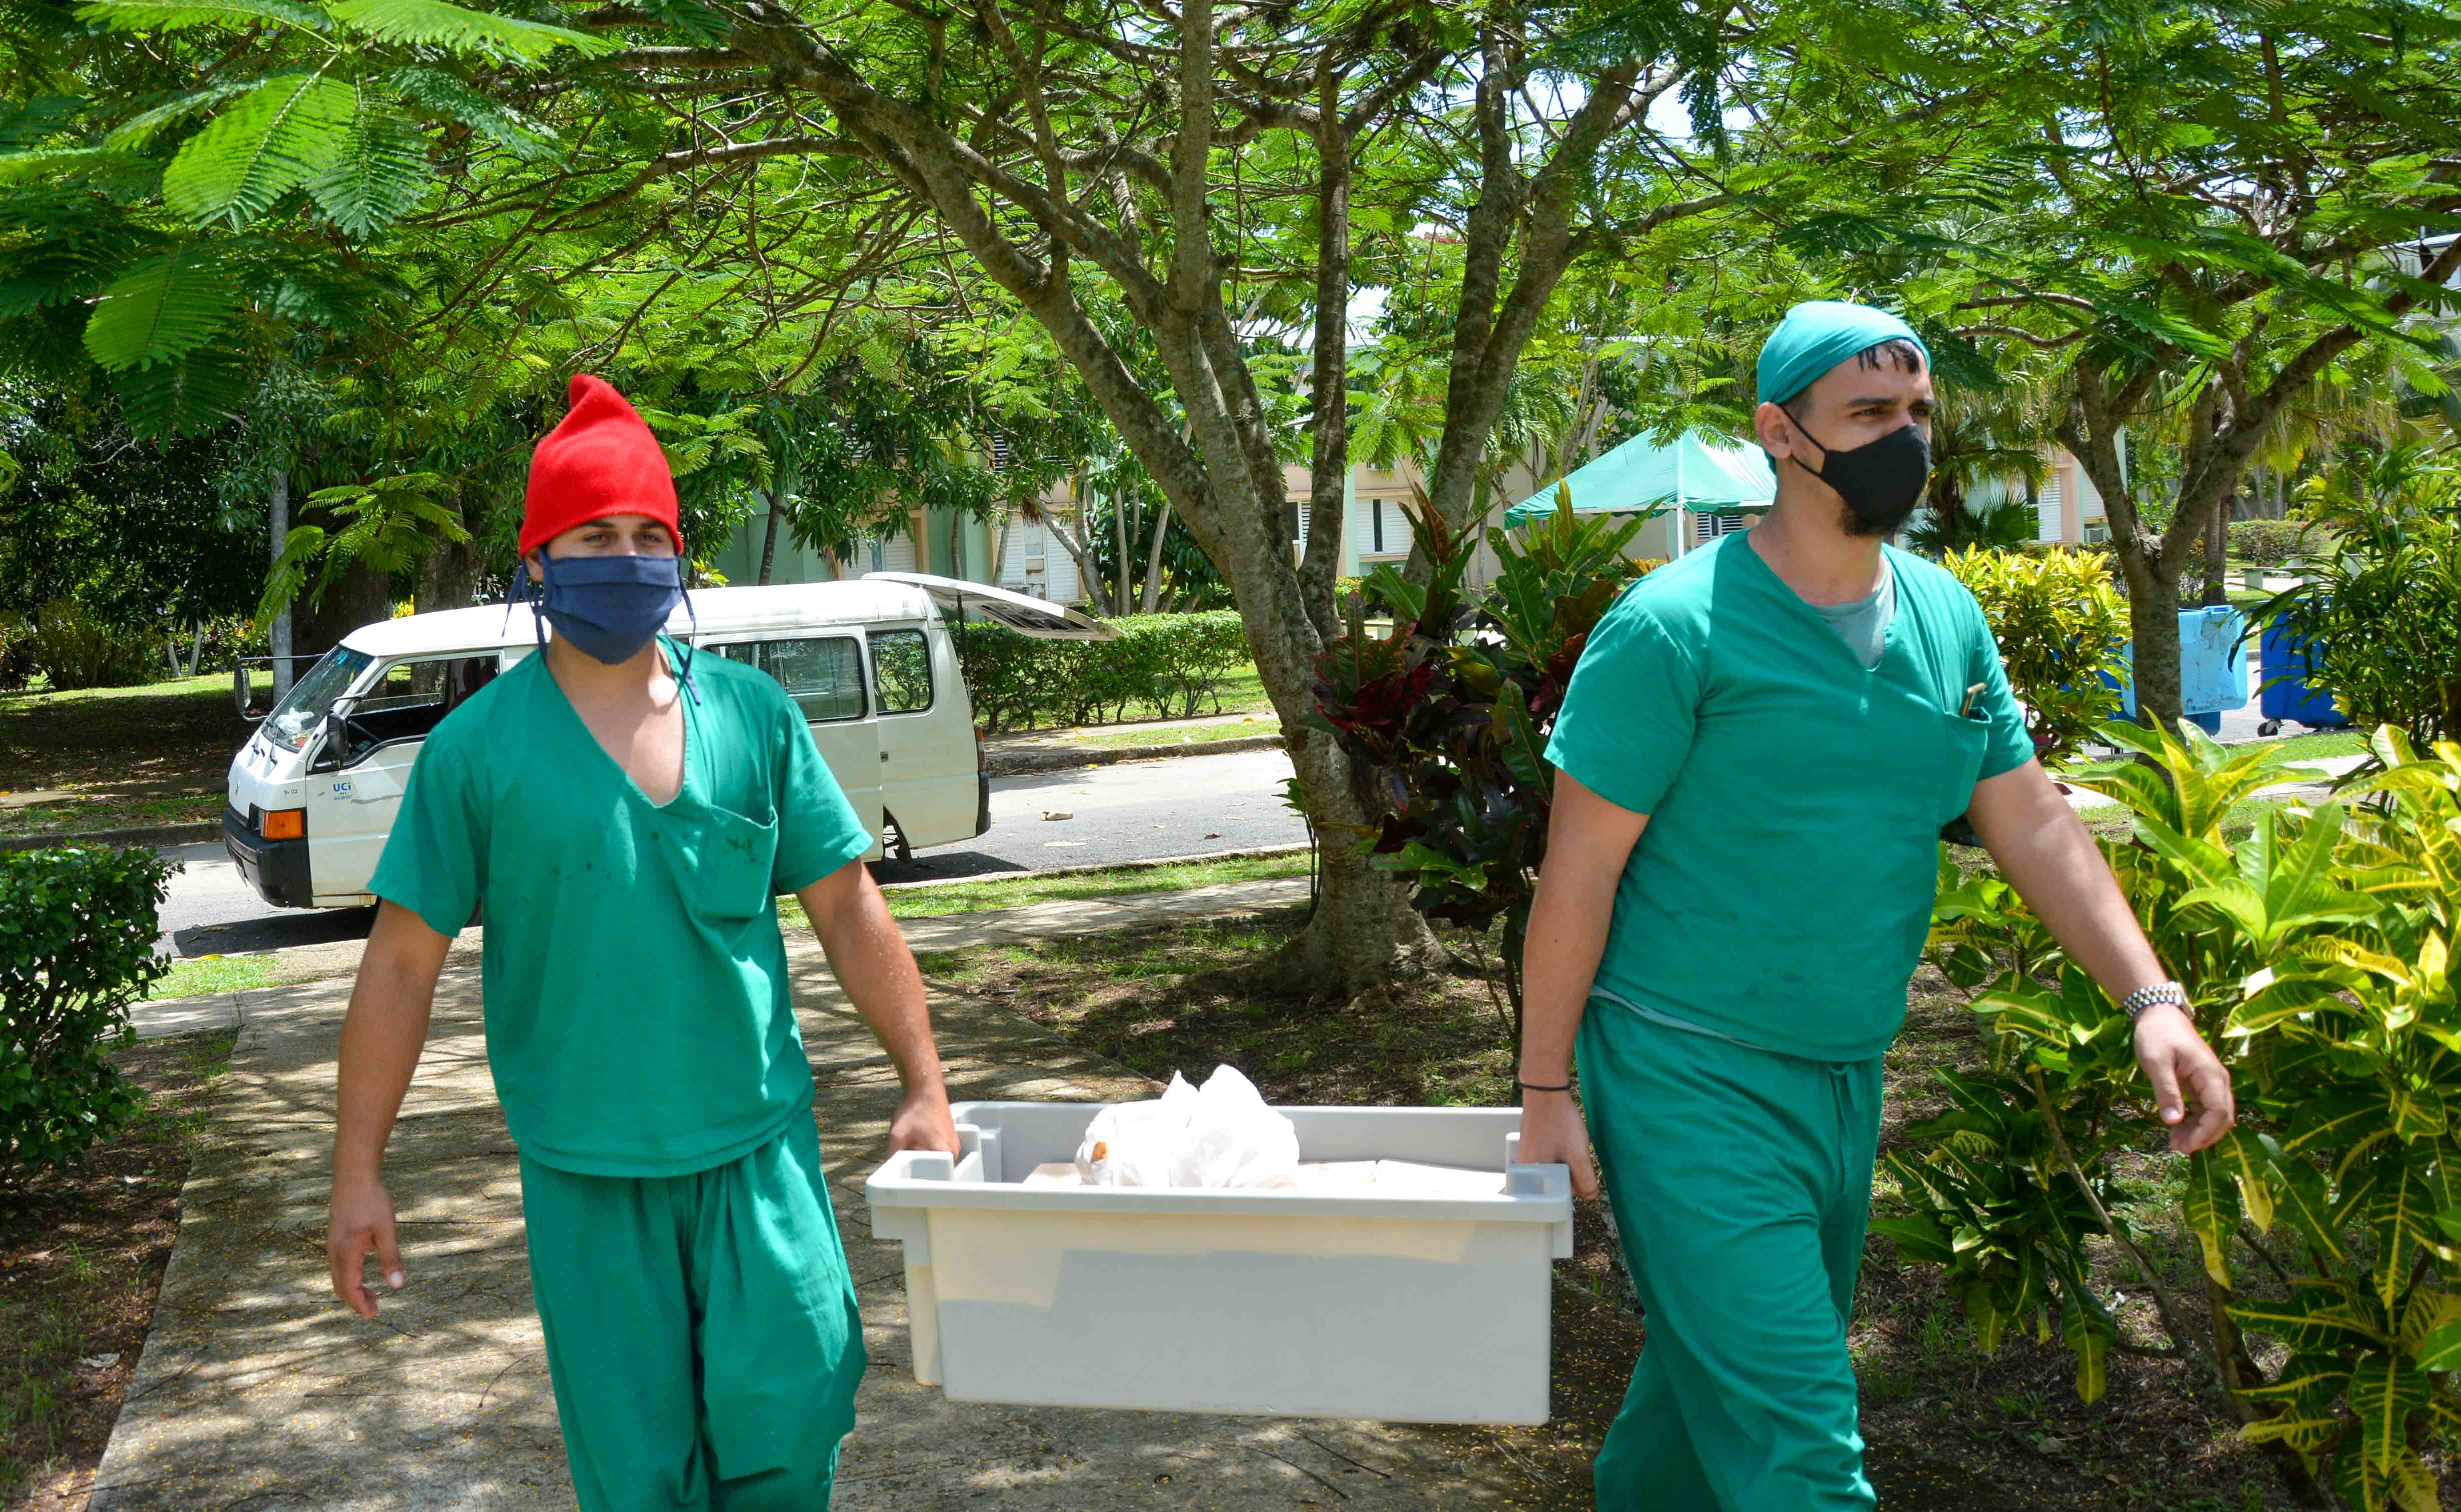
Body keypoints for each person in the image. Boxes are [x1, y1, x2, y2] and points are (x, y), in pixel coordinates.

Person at [1514, 301, 2236, 1510]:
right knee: (1801, 1442)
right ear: (1780, 434)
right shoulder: (1673, 629)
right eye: (1869, 414)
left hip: (1848, 1073)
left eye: (1917, 414)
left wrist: (2151, 999)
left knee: (1703, 1410)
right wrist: (1547, 1091)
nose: (1904, 439)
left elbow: (2032, 819)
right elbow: (1577, 870)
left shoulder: (1945, 617)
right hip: (1686, 1072)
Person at [324, 373, 961, 1510]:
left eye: (644, 534)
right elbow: (399, 969)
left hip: (756, 1152)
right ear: (538, 562)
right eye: (593, 535)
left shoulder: (753, 719)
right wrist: (357, 1170)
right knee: (637, 1475)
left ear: (676, 554)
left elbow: (850, 909)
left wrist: (925, 1082)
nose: (623, 558)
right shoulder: (476, 753)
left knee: (798, 1409)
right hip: (589, 1171)